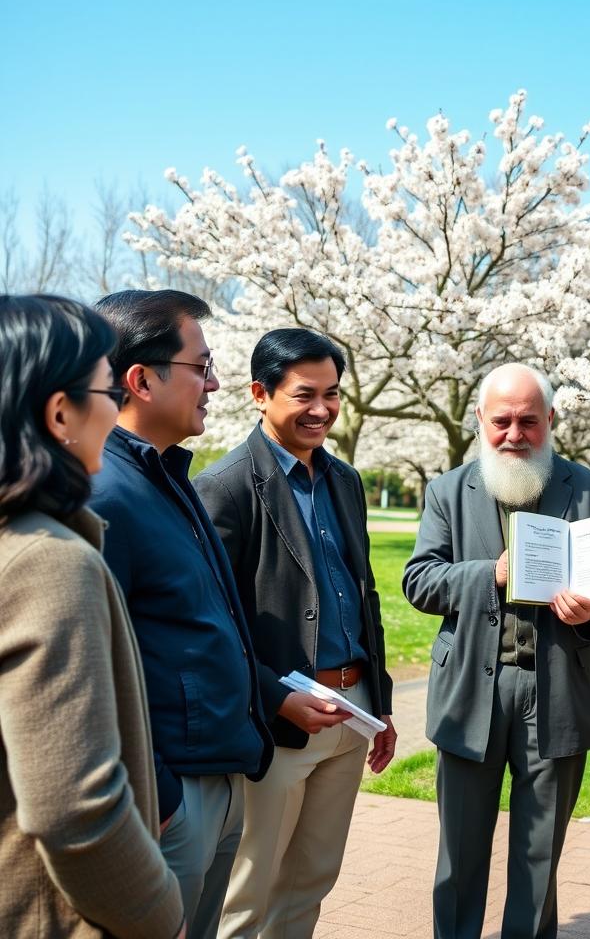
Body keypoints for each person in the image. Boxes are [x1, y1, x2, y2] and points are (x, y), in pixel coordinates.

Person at [402, 363, 590, 939]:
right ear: (481, 420)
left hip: (557, 689)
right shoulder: (446, 490)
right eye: (502, 421)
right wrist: (490, 574)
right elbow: (419, 581)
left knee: (540, 854)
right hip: (470, 689)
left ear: (551, 421)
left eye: (528, 422)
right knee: (459, 854)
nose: (514, 434)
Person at [194, 328, 397, 938]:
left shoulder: (345, 481)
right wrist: (275, 696)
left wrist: (379, 706)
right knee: (247, 892)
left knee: (311, 880)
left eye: (332, 394)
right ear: (260, 393)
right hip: (279, 720)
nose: (322, 410)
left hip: (351, 713)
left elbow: (365, 598)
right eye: (305, 394)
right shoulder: (225, 487)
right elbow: (212, 624)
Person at [90, 289, 273, 939]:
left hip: (217, 779)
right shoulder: (105, 496)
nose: (215, 384)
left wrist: (271, 697)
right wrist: (163, 797)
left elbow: (200, 628)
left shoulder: (166, 479)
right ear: (140, 380)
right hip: (171, 795)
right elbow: (88, 673)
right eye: (202, 367)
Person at [0, 295, 184, 938]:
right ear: (59, 413)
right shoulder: (47, 563)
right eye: (108, 390)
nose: (117, 411)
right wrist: (160, 912)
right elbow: (75, 808)